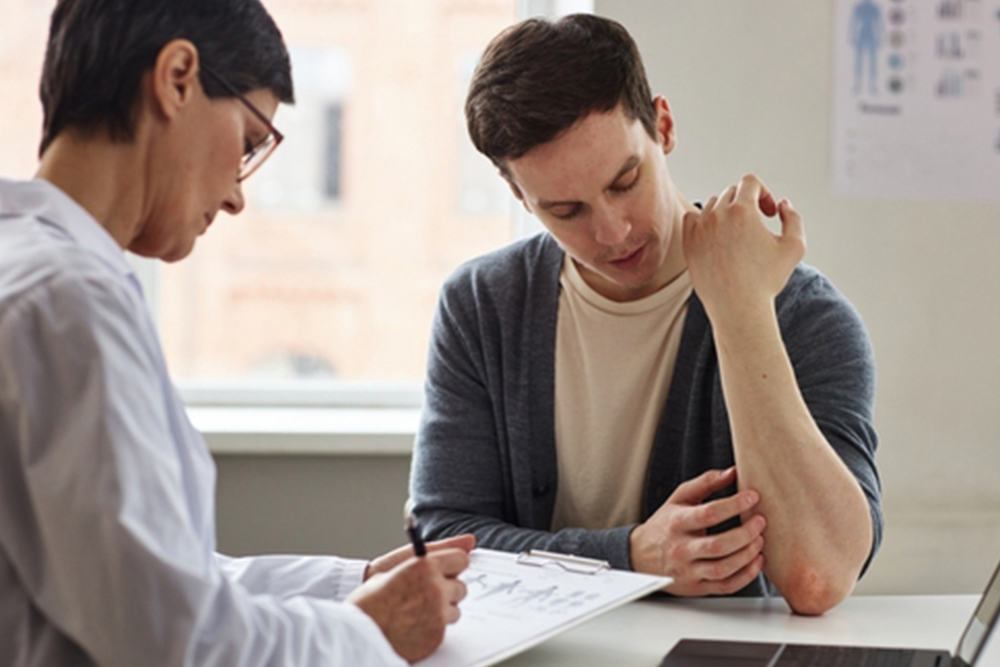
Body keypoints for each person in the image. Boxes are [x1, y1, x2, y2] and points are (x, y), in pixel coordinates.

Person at [0, 1, 472, 665]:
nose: (236, 196)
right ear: (177, 78)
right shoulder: (67, 303)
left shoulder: (30, 270)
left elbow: (157, 577)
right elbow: (176, 642)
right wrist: (369, 634)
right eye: (249, 143)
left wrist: (352, 588)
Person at [409, 14, 882, 616]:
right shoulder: (482, 306)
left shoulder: (802, 316)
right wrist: (628, 558)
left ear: (663, 125)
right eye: (565, 211)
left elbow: (817, 578)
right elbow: (442, 541)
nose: (612, 231)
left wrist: (740, 312)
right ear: (519, 198)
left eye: (625, 181)